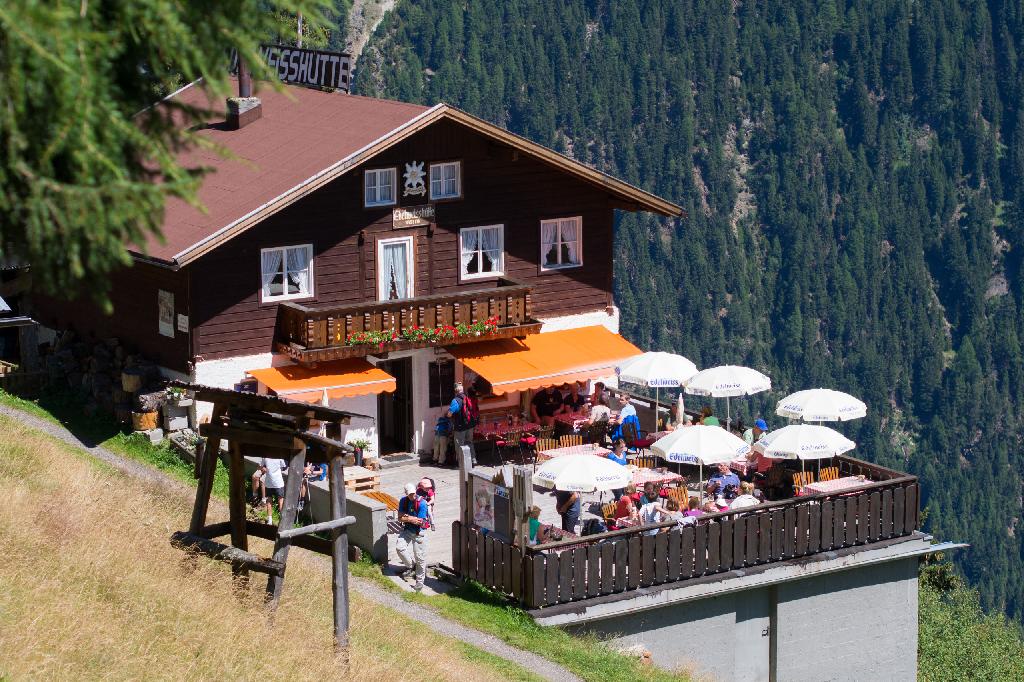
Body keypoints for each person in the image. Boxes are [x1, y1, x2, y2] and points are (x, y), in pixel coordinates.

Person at [396, 482, 429, 591]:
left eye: (414, 493)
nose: (412, 496)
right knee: (399, 548)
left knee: (420, 558)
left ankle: (419, 582)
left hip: (419, 533)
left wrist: (406, 517)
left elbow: (419, 521)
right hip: (408, 530)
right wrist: (410, 518)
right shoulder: (403, 501)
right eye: (410, 494)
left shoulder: (422, 503)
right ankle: (411, 566)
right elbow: (399, 518)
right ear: (406, 493)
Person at [448, 382, 478, 465]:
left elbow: (450, 413)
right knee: (469, 442)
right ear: (462, 390)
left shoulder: (455, 401)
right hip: (470, 425)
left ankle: (462, 463)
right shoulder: (468, 397)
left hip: (460, 427)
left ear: (455, 391)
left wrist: (448, 415)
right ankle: (473, 459)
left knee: (459, 445)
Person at [260, 456, 287, 523]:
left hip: (269, 482)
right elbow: (284, 467)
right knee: (281, 501)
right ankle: (282, 521)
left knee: (269, 501)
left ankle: (270, 521)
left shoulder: (265, 456)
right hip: (278, 482)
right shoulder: (279, 457)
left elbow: (261, 466)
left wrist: (266, 469)